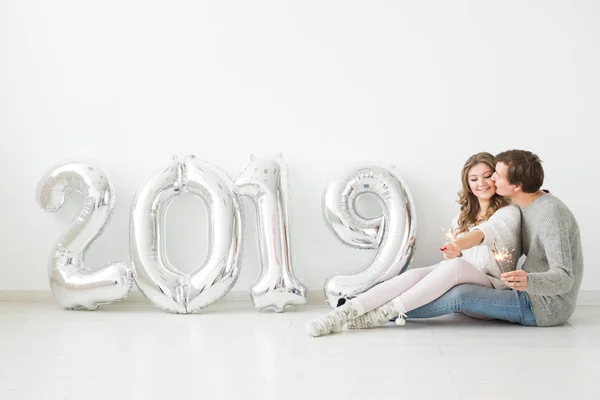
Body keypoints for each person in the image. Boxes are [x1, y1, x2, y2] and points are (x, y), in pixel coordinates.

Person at [341, 149, 584, 330]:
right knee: (427, 277)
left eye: (495, 176)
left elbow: (564, 278)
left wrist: (528, 279)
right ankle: (362, 306)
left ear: (517, 186)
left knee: (461, 296)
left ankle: (381, 313)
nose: (490, 181)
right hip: (523, 290)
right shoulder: (525, 206)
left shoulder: (550, 214)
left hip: (544, 307)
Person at [306, 152, 521, 337]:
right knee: (415, 275)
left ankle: (384, 313)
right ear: (467, 184)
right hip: (463, 278)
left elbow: (481, 234)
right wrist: (451, 253)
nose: (480, 183)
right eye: (473, 179)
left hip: (492, 285)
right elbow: (458, 258)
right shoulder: (462, 218)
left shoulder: (509, 213)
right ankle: (341, 314)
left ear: (496, 178)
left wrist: (458, 246)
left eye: (486, 177)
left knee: (455, 267)